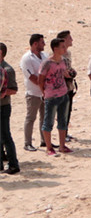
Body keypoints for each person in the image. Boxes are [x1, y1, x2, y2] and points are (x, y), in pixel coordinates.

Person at [39, 38, 73, 156]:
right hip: (51, 95)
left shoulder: (63, 61)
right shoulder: (47, 63)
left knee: (63, 121)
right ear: (55, 48)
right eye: (62, 46)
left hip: (63, 93)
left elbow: (64, 73)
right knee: (48, 122)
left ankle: (62, 146)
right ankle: (49, 147)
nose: (65, 48)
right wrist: (44, 92)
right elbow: (40, 79)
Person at [20, 34, 47, 152]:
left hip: (45, 92)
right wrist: (43, 86)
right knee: (31, 118)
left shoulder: (45, 55)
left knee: (44, 117)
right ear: (35, 44)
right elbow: (31, 77)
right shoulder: (26, 58)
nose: (44, 44)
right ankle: (27, 143)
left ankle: (44, 140)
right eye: (42, 42)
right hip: (33, 93)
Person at [0, 43, 20, 174]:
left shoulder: (7, 69)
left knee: (6, 136)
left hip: (3, 107)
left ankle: (13, 165)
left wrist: (3, 92)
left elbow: (14, 90)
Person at [56, 30, 77, 143]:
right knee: (61, 112)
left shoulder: (68, 53)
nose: (71, 40)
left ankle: (66, 132)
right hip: (59, 87)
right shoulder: (55, 55)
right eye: (69, 38)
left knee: (68, 111)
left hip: (69, 86)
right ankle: (62, 135)